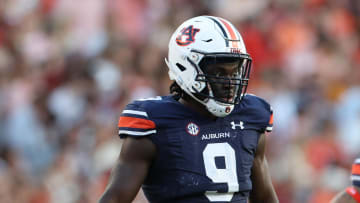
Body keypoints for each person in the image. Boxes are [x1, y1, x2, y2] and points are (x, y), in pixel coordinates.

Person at [98, 16, 278, 203]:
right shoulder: (155, 123)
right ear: (185, 66)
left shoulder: (250, 116)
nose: (230, 83)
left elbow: (265, 198)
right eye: (218, 72)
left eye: (234, 72)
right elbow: (116, 198)